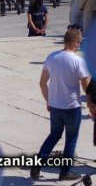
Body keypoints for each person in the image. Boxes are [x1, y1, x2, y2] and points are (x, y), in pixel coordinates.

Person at [30, 29, 89, 181]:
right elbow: (86, 86)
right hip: (71, 107)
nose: (79, 45)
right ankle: (64, 172)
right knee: (71, 140)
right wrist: (91, 104)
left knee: (54, 135)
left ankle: (36, 166)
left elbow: (42, 83)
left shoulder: (51, 57)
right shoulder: (78, 61)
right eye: (79, 42)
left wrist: (48, 101)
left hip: (55, 106)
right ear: (75, 42)